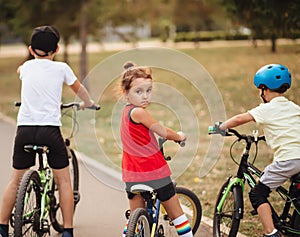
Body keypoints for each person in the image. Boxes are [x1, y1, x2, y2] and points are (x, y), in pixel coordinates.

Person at [0, 25, 96, 237]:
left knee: (15, 181)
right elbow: (80, 90)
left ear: (31, 49)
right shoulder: (62, 69)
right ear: (57, 49)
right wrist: (87, 102)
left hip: (24, 130)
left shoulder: (25, 67)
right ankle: (68, 230)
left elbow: (20, 71)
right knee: (63, 180)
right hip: (49, 131)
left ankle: (2, 226)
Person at [217, 64, 300, 237]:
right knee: (294, 194)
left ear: (264, 89)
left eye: (260, 89)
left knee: (257, 194)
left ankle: (271, 233)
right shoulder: (294, 107)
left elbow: (241, 118)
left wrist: (220, 127)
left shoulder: (266, 109)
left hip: (289, 159)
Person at [119, 62, 193, 237]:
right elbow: (163, 132)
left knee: (133, 222)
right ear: (126, 93)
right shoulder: (139, 112)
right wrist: (179, 136)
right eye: (139, 91)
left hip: (131, 172)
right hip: (153, 171)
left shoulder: (125, 111)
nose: (145, 96)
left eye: (149, 90)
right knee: (178, 216)